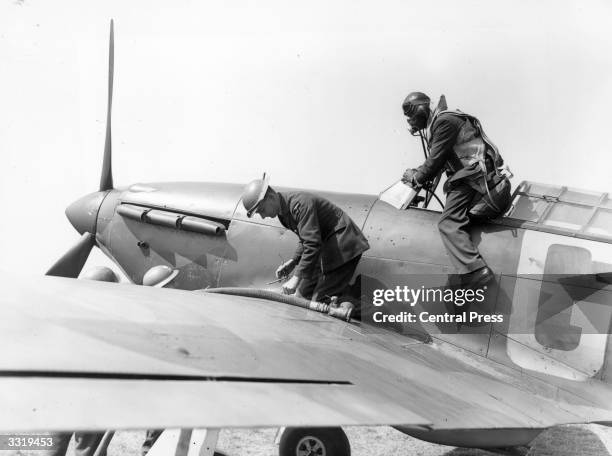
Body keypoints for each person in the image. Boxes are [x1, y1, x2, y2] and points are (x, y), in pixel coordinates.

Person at [401, 92, 512, 287]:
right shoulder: (445, 120)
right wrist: (420, 174)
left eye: (411, 116)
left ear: (420, 110)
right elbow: (439, 161)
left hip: (472, 178)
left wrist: (416, 177)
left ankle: (476, 272)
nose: (410, 121)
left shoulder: (444, 122)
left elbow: (435, 161)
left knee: (448, 223)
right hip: (471, 176)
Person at [241, 174, 369, 303]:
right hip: (328, 249)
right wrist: (293, 261)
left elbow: (312, 243)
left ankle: (361, 309)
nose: (263, 216)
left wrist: (296, 278)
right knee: (301, 297)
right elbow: (306, 238)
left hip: (344, 246)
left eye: (262, 210)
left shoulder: (300, 204)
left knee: (319, 303)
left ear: (271, 197)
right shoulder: (283, 214)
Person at [140, 264, 180, 456]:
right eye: (171, 283)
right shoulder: (156, 318)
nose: (176, 286)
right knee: (155, 438)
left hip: (175, 385)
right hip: (162, 387)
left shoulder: (173, 313)